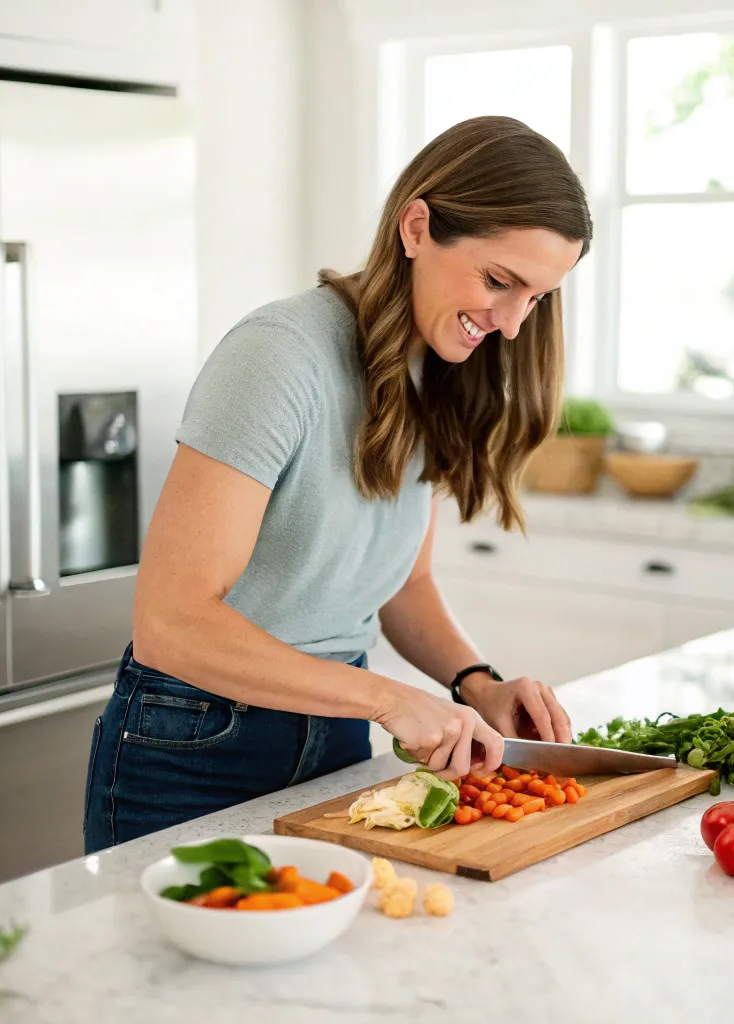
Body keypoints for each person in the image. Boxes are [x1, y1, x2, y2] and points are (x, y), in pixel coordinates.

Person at [83, 115, 593, 853]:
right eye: (498, 281)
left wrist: (476, 683)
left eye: (537, 298)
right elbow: (171, 624)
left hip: (336, 737)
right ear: (416, 227)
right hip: (193, 740)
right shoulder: (278, 357)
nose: (514, 325)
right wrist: (390, 699)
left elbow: (400, 582)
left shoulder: (438, 367)